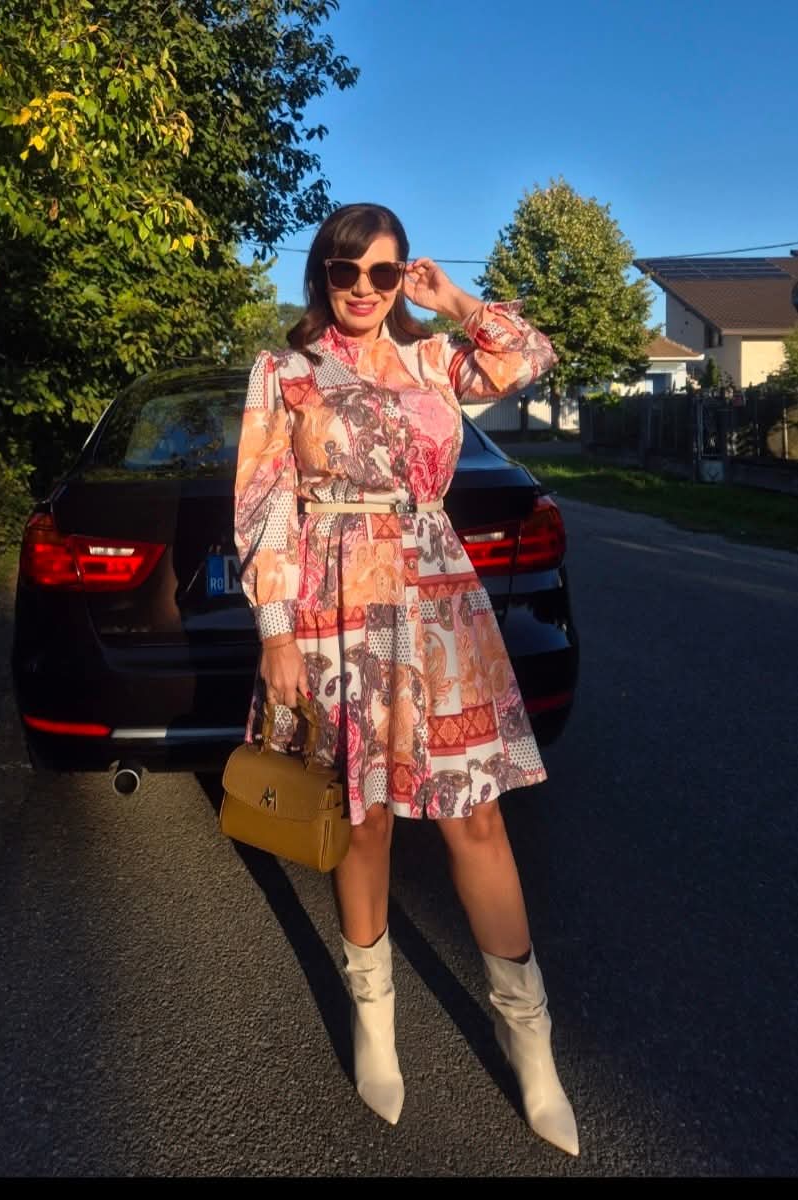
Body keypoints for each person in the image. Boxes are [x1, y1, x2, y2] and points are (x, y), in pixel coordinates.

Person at [233, 202, 578, 1156]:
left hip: (437, 605)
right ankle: (374, 1021)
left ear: (400, 278)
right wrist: (275, 634)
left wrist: (454, 299)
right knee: (364, 815)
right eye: (346, 270)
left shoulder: (432, 363)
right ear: (321, 274)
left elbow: (528, 359)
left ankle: (528, 1040)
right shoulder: (284, 373)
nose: (362, 287)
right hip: (334, 608)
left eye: (382, 272)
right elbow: (263, 506)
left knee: (478, 819)